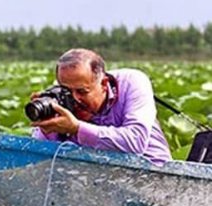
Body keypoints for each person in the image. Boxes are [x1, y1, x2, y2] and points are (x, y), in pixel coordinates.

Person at [31, 48, 172, 165]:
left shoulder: (131, 82)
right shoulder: (60, 99)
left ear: (104, 84)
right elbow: (39, 161)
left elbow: (136, 142)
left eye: (82, 92)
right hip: (98, 182)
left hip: (153, 176)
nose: (74, 99)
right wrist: (47, 128)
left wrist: (77, 128)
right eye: (67, 91)